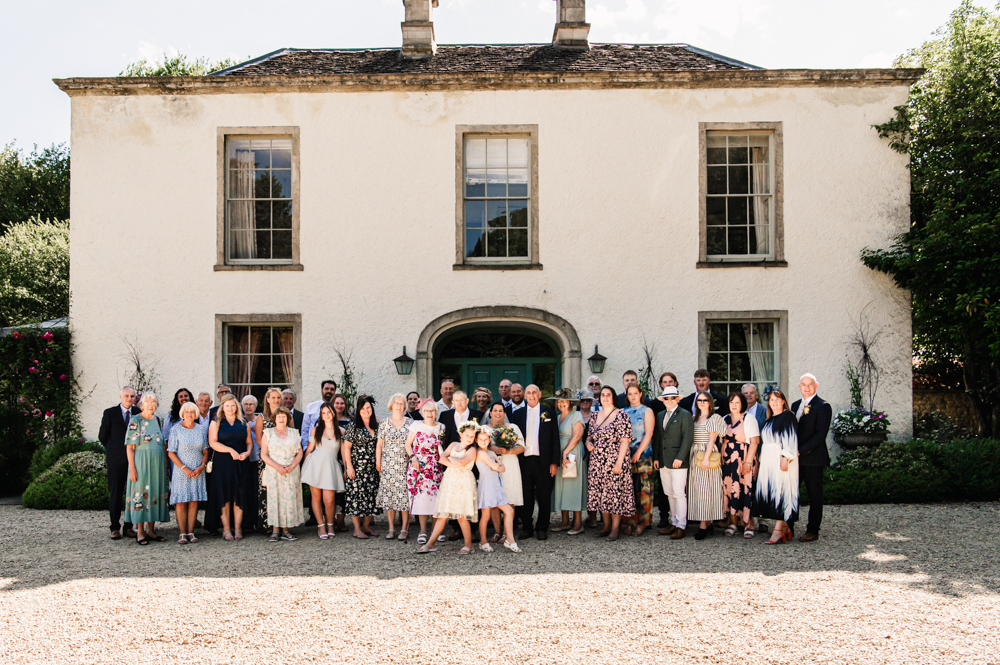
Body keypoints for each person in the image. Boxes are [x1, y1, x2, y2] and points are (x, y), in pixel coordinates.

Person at [418, 422, 480, 555]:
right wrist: (453, 461)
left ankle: (469, 545)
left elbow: (462, 463)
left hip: (463, 483)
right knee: (442, 514)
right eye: (467, 435)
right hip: (450, 481)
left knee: (461, 515)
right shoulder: (453, 445)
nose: (469, 438)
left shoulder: (472, 450)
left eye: (472, 436)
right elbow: (441, 459)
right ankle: (430, 543)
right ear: (461, 434)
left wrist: (450, 459)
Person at [508, 384, 560, 541]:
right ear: (525, 395)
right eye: (529, 393)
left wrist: (554, 462)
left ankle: (542, 527)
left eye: (534, 392)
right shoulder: (518, 414)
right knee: (526, 495)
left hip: (543, 460)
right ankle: (527, 527)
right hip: (523, 461)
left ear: (539, 394)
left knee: (544, 495)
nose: (531, 395)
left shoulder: (548, 412)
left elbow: (555, 438)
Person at [585, 386, 634, 541]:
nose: (605, 398)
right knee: (601, 494)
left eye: (608, 395)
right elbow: (590, 436)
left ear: (613, 398)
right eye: (603, 395)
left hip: (614, 459)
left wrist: (619, 462)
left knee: (614, 494)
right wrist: (588, 442)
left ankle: (615, 528)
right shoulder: (594, 416)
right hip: (597, 461)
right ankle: (606, 526)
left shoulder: (621, 415)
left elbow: (625, 440)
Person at [754, 389, 799, 544]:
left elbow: (791, 437)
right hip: (768, 460)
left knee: (781, 491)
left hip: (781, 458)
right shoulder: (770, 419)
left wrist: (785, 456)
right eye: (771, 400)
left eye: (777, 400)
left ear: (783, 401)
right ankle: (785, 527)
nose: (774, 402)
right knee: (772, 491)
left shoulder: (788, 416)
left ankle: (778, 530)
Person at [124, 393, 169, 545]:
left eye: (153, 402)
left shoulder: (157, 420)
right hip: (141, 463)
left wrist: (166, 464)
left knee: (154, 493)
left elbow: (161, 443)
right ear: (141, 404)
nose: (150, 405)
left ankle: (151, 530)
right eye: (147, 402)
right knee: (140, 494)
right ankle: (140, 532)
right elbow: (130, 447)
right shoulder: (135, 420)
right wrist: (132, 468)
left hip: (157, 464)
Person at [792, 374, 832, 542]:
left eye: (810, 384)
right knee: (792, 493)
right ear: (799, 386)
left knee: (814, 496)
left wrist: (800, 451)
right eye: (804, 384)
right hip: (795, 459)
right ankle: (788, 527)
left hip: (813, 459)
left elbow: (820, 435)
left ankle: (813, 530)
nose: (807, 387)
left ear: (816, 385)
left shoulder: (823, 406)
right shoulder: (795, 405)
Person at [208, 393, 252, 541]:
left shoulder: (243, 422)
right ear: (222, 407)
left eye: (233, 405)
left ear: (237, 406)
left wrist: (247, 453)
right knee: (224, 495)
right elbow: (213, 442)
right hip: (223, 463)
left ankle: (238, 528)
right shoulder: (216, 422)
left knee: (240, 494)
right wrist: (230, 450)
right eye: (227, 406)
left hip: (241, 462)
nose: (230, 408)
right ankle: (226, 529)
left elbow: (249, 442)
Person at [98, 386, 140, 540]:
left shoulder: (138, 413)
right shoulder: (110, 413)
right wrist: (113, 449)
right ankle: (115, 527)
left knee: (133, 494)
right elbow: (103, 436)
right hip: (116, 460)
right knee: (115, 493)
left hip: (135, 460)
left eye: (132, 396)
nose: (129, 399)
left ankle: (129, 526)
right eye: (127, 396)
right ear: (120, 396)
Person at [652, 386, 693, 539]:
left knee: (679, 493)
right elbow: (658, 438)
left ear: (677, 399)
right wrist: (656, 457)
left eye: (672, 398)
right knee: (669, 493)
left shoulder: (685, 415)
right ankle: (674, 523)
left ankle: (681, 526)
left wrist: (680, 457)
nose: (669, 400)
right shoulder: (660, 415)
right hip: (663, 460)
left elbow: (688, 438)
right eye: (666, 398)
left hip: (677, 461)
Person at [301, 402, 345, 540]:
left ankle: (330, 525)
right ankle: (321, 526)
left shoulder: (341, 431)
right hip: (315, 465)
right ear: (321, 415)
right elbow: (309, 448)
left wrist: (346, 468)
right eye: (323, 413)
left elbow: (344, 453)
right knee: (316, 498)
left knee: (329, 500)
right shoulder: (316, 430)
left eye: (329, 412)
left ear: (333, 413)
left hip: (331, 466)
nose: (326, 415)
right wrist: (303, 466)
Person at [167, 401, 209, 544]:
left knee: (193, 501)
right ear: (182, 414)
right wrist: (184, 468)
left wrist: (202, 466)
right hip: (181, 470)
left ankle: (191, 532)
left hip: (197, 469)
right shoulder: (176, 429)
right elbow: (171, 452)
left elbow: (205, 450)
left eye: (192, 412)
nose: (189, 414)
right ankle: (182, 533)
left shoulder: (201, 429)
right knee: (181, 501)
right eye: (187, 412)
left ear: (196, 413)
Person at [260, 406, 304, 542]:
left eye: (283, 416)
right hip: (274, 471)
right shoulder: (268, 433)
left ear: (287, 418)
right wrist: (278, 467)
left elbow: (300, 452)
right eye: (279, 416)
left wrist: (292, 466)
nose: (281, 419)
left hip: (291, 471)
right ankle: (275, 530)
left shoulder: (294, 433)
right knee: (275, 499)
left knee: (289, 499)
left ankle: (286, 530)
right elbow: (263, 454)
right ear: (274, 419)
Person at [687, 391, 727, 540]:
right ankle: (707, 523)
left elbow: (712, 440)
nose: (702, 403)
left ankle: (704, 525)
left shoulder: (714, 418)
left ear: (710, 402)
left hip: (706, 453)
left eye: (705, 400)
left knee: (706, 489)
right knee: (697, 489)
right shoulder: (694, 418)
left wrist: (706, 458)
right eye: (699, 400)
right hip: (694, 454)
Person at [406, 399, 446, 545]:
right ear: (422, 412)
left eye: (433, 411)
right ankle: (423, 531)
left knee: (436, 499)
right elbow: (407, 444)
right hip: (419, 466)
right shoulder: (416, 425)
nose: (430, 413)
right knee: (421, 499)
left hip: (436, 467)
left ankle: (436, 530)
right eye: (427, 411)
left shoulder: (441, 427)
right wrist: (413, 458)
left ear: (436, 412)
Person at [474, 427, 519, 552]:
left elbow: (503, 468)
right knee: (486, 515)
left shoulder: (491, 453)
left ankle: (510, 540)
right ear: (476, 440)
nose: (483, 441)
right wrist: (498, 466)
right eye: (480, 439)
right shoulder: (480, 453)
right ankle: (483, 542)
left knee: (509, 510)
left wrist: (498, 466)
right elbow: (497, 467)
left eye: (485, 439)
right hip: (487, 485)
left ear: (489, 440)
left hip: (496, 484)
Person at [722, 392, 760, 538]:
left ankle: (748, 524)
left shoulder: (749, 419)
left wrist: (748, 462)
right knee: (730, 490)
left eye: (737, 402)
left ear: (742, 404)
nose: (734, 405)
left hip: (744, 458)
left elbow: (755, 442)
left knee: (745, 489)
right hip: (728, 461)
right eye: (732, 402)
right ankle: (733, 523)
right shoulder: (725, 419)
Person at [548, 388, 586, 535]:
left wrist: (565, 452)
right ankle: (564, 521)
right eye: (559, 401)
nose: (561, 404)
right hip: (560, 454)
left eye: (564, 401)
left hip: (572, 453)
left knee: (573, 485)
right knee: (561, 486)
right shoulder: (557, 417)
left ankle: (578, 523)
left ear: (570, 402)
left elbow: (577, 436)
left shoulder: (576, 415)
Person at [484, 401, 524, 539]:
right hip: (491, 466)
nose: (498, 413)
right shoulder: (484, 429)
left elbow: (522, 447)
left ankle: (507, 532)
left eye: (500, 410)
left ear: (504, 413)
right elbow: (479, 446)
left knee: (509, 498)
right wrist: (491, 447)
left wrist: (507, 450)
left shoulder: (513, 427)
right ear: (490, 413)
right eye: (495, 410)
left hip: (510, 465)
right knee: (494, 500)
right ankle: (497, 532)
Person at [376, 393, 412, 541]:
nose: (399, 406)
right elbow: (379, 445)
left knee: (404, 497)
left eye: (402, 403)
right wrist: (378, 462)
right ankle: (391, 528)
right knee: (389, 496)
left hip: (405, 464)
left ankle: (404, 528)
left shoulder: (410, 423)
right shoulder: (384, 423)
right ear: (391, 405)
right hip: (388, 465)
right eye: (397, 403)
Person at [343, 395, 381, 539]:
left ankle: (366, 526)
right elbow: (346, 447)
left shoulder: (376, 426)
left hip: (372, 469)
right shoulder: (353, 426)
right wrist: (348, 466)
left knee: (371, 497)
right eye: (363, 408)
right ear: (358, 411)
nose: (366, 411)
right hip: (357, 468)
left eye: (368, 408)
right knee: (356, 497)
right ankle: (357, 529)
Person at [623, 384, 655, 536]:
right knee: (628, 490)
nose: (633, 396)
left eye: (635, 393)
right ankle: (629, 521)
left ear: (640, 394)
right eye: (630, 394)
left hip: (643, 455)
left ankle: (642, 523)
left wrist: (638, 453)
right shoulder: (623, 412)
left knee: (643, 489)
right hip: (626, 455)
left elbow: (649, 434)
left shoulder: (647, 411)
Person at [241, 394, 263, 533]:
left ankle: (258, 520)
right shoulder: (239, 421)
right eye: (246, 404)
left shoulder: (260, 420)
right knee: (245, 491)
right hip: (243, 460)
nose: (248, 407)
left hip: (258, 459)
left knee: (257, 491)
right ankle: (246, 522)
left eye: (251, 404)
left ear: (255, 406)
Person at [300, 380, 338, 452]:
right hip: (312, 447)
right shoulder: (310, 407)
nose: (329, 391)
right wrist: (305, 447)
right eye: (326, 388)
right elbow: (305, 429)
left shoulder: (337, 408)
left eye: (332, 389)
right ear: (321, 390)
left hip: (332, 448)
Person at [162, 388, 194, 453]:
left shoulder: (195, 414)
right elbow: (166, 438)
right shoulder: (170, 416)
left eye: (186, 396)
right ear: (177, 399)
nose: (184, 398)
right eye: (181, 397)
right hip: (174, 452)